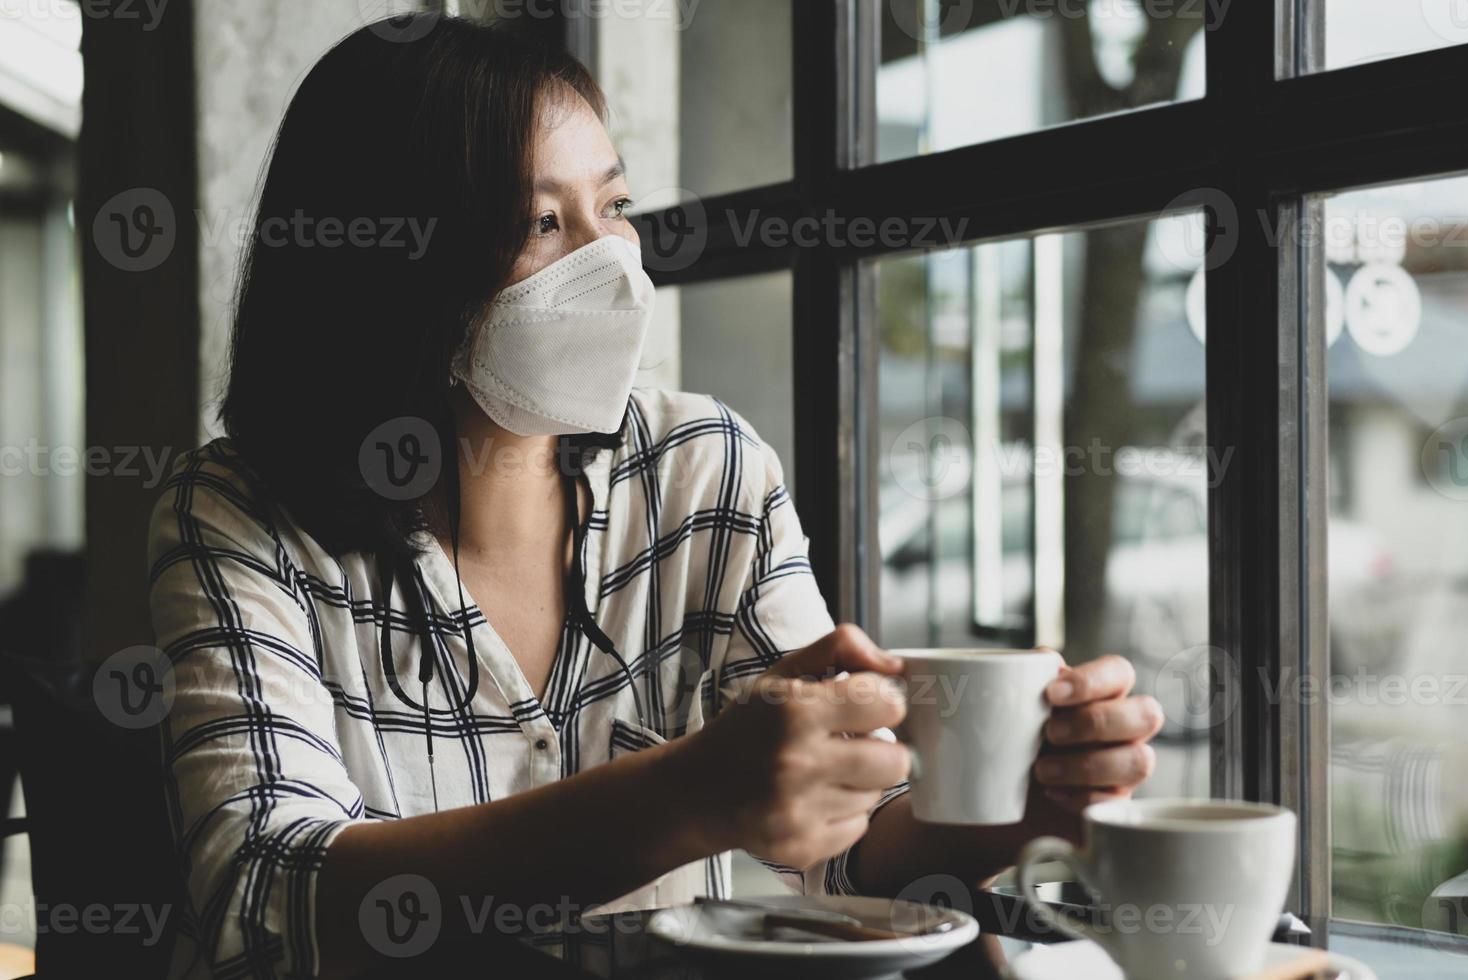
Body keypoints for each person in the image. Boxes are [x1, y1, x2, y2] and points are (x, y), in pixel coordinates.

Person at [147, 16, 1164, 978]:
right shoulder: (237, 513)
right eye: (541, 222)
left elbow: (844, 859)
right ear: (393, 271)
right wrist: (689, 793)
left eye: (616, 207)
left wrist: (1009, 803)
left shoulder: (702, 468)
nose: (611, 264)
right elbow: (265, 900)